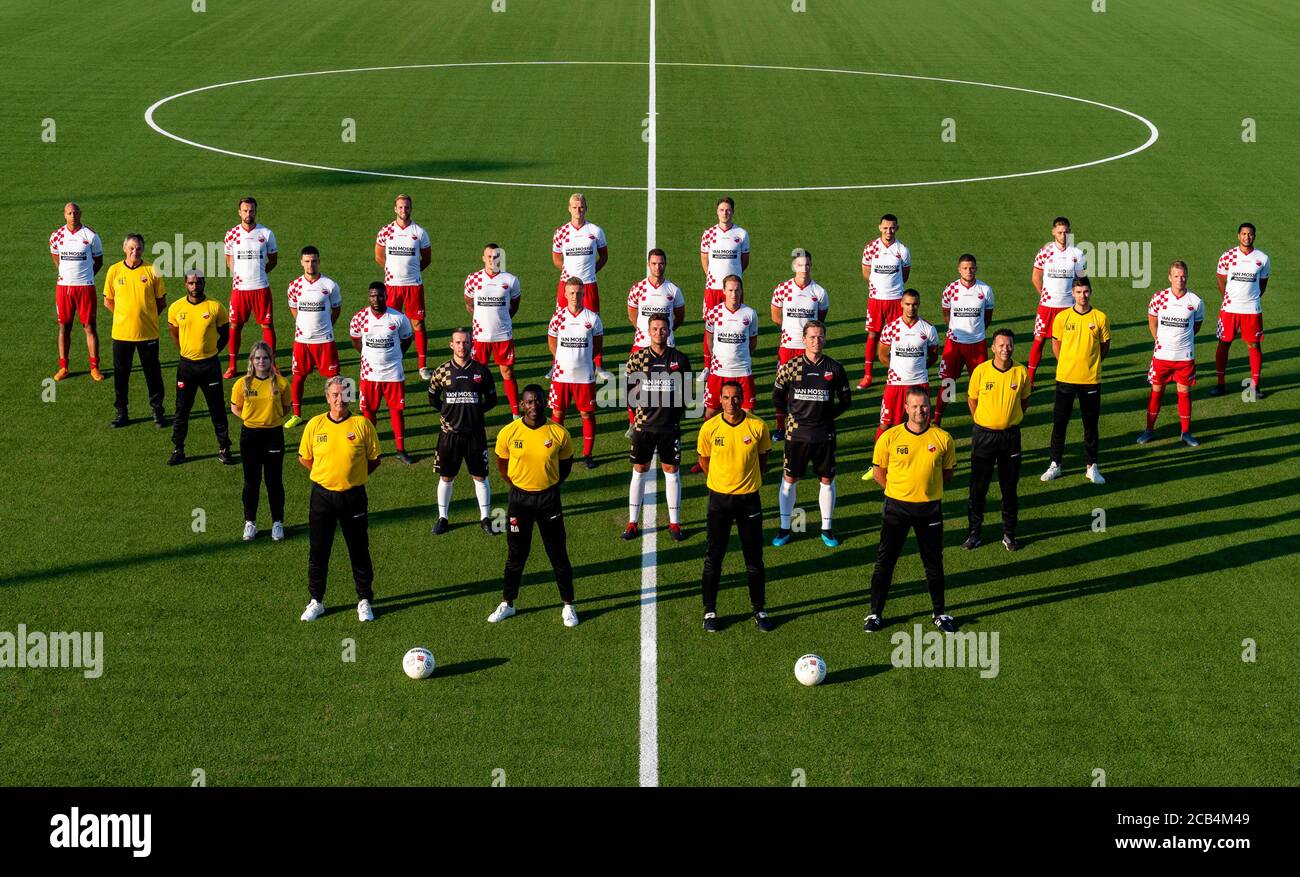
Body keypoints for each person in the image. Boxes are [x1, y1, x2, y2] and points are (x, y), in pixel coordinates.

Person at [864, 386, 957, 633]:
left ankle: (939, 613)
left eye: (924, 406)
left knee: (934, 563)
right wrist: (898, 491)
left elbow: (947, 474)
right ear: (906, 408)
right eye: (914, 406)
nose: (920, 411)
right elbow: (878, 472)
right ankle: (874, 614)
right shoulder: (889, 437)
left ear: (930, 407)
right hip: (896, 509)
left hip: (929, 509)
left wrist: (926, 492)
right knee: (886, 561)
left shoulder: (943, 438)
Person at [489, 384, 579, 627]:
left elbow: (566, 465)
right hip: (519, 501)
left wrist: (548, 483)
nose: (533, 406)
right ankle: (508, 603)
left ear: (545, 402)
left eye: (538, 401)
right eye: (529, 402)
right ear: (521, 405)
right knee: (516, 555)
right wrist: (517, 483)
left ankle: (568, 605)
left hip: (549, 500)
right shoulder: (508, 433)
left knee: (558, 554)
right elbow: (501, 463)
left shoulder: (559, 433)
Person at [298, 376, 381, 623]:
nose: (339, 399)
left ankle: (364, 600)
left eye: (344, 394)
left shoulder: (362, 424)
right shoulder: (314, 425)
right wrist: (326, 475)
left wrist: (352, 476)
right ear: (327, 397)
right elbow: (305, 458)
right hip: (322, 497)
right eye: (334, 394)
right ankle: (316, 601)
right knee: (318, 550)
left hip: (353, 497)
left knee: (358, 549)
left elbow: (374, 459)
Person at [696, 381, 774, 632]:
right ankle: (709, 611)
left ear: (743, 399)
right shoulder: (709, 428)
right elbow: (704, 459)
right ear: (720, 400)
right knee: (714, 558)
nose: (731, 402)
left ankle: (759, 609)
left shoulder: (758, 426)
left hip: (748, 499)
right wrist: (721, 482)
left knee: (754, 559)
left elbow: (763, 459)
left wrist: (747, 481)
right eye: (727, 397)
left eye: (736, 397)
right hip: (719, 501)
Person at [771, 321, 851, 548]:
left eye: (820, 337)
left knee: (827, 480)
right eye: (812, 337)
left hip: (824, 434)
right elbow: (777, 396)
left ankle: (827, 528)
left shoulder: (834, 368)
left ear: (825, 339)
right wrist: (792, 414)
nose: (816, 341)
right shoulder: (791, 366)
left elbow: (846, 401)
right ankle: (785, 528)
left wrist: (826, 417)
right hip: (797, 434)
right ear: (804, 339)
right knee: (790, 479)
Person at [623, 313, 692, 543]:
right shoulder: (637, 359)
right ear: (648, 331)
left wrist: (673, 416)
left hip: (669, 427)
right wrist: (634, 421)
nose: (659, 333)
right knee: (639, 470)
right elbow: (629, 395)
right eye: (654, 329)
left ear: (669, 330)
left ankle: (675, 523)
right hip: (644, 426)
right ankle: (632, 522)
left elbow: (686, 396)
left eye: (663, 329)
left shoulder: (680, 360)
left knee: (671, 472)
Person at [964, 329, 1030, 552]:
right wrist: (983, 421)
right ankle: (974, 533)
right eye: (1001, 345)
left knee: (1009, 488)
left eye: (1009, 345)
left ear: (1013, 347)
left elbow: (1024, 400)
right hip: (984, 436)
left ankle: (1009, 534)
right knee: (978, 488)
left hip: (1010, 437)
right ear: (993, 348)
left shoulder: (1021, 372)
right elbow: (972, 399)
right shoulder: (981, 371)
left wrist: (1008, 419)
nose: (1005, 349)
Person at [428, 328, 498, 536]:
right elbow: (432, 398)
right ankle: (443, 518)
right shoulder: (441, 371)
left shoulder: (481, 371)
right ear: (451, 345)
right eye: (457, 343)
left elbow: (492, 400)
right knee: (446, 477)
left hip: (475, 434)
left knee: (480, 476)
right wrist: (447, 412)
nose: (461, 346)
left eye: (465, 342)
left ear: (471, 344)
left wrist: (475, 414)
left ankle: (485, 518)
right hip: (449, 435)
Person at [1042, 277, 1110, 484]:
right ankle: (1055, 464)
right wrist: (1068, 364)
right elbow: (1056, 346)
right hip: (1065, 379)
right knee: (1060, 423)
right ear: (1072, 293)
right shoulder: (1062, 318)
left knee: (1090, 425)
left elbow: (1104, 347)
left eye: (1086, 291)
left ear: (1091, 292)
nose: (1083, 296)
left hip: (1090, 380)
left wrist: (1091, 364)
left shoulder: (1100, 318)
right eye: (1079, 292)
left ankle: (1092, 466)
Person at [166, 270, 234, 466]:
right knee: (182, 410)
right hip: (186, 367)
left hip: (209, 366)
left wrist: (212, 351)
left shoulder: (215, 307)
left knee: (217, 409)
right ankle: (178, 449)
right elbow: (174, 332)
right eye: (191, 283)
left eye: (198, 283)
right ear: (185, 284)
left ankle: (224, 448)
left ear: (204, 283)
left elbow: (225, 335)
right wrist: (186, 350)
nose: (194, 287)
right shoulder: (176, 308)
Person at [1137, 261, 1204, 447]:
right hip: (1162, 357)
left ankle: (1186, 432)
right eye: (1176, 276)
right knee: (1156, 393)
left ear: (1187, 276)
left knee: (1184, 393)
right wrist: (1160, 341)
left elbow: (1196, 326)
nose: (1180, 280)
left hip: (1184, 357)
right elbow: (1152, 322)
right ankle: (1149, 430)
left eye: (1183, 276)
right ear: (1170, 277)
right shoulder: (1158, 298)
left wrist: (1183, 340)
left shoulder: (1196, 302)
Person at [103, 233, 167, 428]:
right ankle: (121, 412)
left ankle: (157, 411)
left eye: (138, 248)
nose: (135, 251)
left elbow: (161, 301)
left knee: (153, 374)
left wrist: (146, 316)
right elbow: (108, 301)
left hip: (148, 333)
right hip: (122, 334)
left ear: (143, 250)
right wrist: (124, 315)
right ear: (124, 249)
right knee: (121, 375)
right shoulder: (114, 271)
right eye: (131, 248)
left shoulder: (152, 270)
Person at [350, 282, 415, 465]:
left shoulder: (398, 318)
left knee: (396, 411)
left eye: (379, 295)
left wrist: (396, 356)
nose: (376, 299)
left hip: (393, 372)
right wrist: (368, 357)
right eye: (372, 295)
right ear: (368, 296)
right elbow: (356, 341)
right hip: (369, 373)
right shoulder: (359, 318)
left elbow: (407, 339)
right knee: (368, 411)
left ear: (386, 296)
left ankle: (401, 450)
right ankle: (370, 449)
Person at [230, 341, 290, 542]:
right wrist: (252, 419)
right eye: (257, 358)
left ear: (271, 360)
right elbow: (235, 408)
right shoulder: (242, 384)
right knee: (251, 481)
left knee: (274, 481)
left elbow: (286, 408)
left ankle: (277, 523)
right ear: (251, 361)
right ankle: (250, 523)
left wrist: (269, 419)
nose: (261, 361)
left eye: (265, 357)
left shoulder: (281, 383)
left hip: (274, 435)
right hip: (250, 436)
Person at [769, 249, 830, 440]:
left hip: (809, 349)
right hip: (788, 346)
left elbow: (819, 321)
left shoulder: (819, 292)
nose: (804, 268)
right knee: (783, 387)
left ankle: (805, 422)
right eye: (800, 265)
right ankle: (781, 426)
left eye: (808, 265)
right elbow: (776, 316)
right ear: (794, 266)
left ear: (811, 266)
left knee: (808, 386)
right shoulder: (782, 289)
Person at [625, 248, 685, 437]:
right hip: (641, 345)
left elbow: (679, 317)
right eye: (654, 263)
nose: (657, 267)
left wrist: (663, 335)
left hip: (667, 347)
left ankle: (669, 421)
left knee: (667, 387)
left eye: (661, 263)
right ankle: (633, 423)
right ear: (648, 265)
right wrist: (646, 333)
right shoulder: (638, 288)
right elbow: (632, 314)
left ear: (665, 265)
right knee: (635, 386)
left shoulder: (673, 290)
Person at [870, 288, 938, 451]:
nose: (911, 308)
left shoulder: (928, 329)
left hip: (919, 383)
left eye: (914, 304)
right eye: (907, 304)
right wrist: (897, 368)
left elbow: (934, 356)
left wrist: (919, 367)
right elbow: (882, 355)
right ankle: (877, 461)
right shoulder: (891, 328)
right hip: (895, 384)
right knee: (885, 424)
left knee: (921, 423)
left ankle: (920, 456)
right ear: (901, 304)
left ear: (919, 305)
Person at [375, 193, 433, 379]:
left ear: (411, 209)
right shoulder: (386, 231)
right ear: (395, 209)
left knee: (418, 323)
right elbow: (378, 256)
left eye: (406, 207)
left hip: (413, 286)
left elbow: (427, 259)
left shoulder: (419, 233)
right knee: (391, 324)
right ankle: (393, 361)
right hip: (392, 286)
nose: (403, 210)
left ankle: (422, 366)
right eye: (400, 207)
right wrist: (391, 270)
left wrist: (412, 271)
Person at [548, 277, 604, 468]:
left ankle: (587, 454)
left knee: (586, 414)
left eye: (579, 293)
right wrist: (563, 359)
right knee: (558, 413)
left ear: (584, 294)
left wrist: (583, 360)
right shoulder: (557, 318)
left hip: (585, 376)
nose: (575, 297)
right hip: (560, 376)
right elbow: (552, 342)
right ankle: (556, 451)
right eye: (571, 293)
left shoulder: (593, 319)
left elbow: (597, 346)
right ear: (565, 294)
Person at [284, 246, 342, 429]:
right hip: (302, 341)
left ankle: (337, 413)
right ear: (301, 262)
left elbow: (336, 309)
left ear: (319, 261)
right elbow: (294, 309)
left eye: (314, 261)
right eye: (307, 261)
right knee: (298, 377)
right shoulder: (294, 286)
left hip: (324, 340)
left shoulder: (329, 285)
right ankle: (296, 414)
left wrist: (325, 326)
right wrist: (304, 326)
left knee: (334, 379)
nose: (311, 265)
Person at [551, 193, 609, 374]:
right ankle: (556, 364)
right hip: (565, 286)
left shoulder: (595, 231)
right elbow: (556, 258)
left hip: (589, 285)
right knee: (561, 323)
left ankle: (597, 365)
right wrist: (569, 277)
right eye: (575, 207)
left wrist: (591, 271)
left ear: (586, 208)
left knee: (594, 323)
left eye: (581, 206)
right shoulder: (561, 232)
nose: (578, 210)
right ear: (569, 209)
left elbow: (604, 256)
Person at [933, 253, 994, 426]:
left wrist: (976, 332)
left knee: (979, 385)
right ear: (959, 269)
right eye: (965, 268)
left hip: (977, 345)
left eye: (972, 268)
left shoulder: (985, 290)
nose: (969, 271)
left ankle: (980, 420)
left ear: (976, 268)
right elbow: (947, 315)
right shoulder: (950, 290)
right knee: (948, 382)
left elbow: (987, 318)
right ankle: (938, 419)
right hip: (955, 344)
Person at [1027, 216, 1087, 390]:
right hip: (1047, 306)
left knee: (1064, 343)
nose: (1063, 235)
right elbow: (1035, 277)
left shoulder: (1077, 254)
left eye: (1066, 232)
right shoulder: (1045, 252)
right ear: (1053, 232)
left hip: (1068, 307)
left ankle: (1066, 376)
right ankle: (1030, 380)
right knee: (1038, 340)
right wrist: (1045, 295)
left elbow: (1081, 281)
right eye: (1060, 232)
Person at [1211, 222, 1270, 397]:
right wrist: (1229, 298)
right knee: (1224, 343)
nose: (1247, 237)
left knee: (1254, 344)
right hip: (1229, 309)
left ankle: (1254, 386)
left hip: (1251, 310)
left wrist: (1252, 299)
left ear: (1254, 236)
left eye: (1250, 234)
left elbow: (1262, 284)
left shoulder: (1263, 258)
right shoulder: (1227, 256)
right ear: (1238, 236)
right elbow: (1221, 280)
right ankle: (1220, 384)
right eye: (1243, 234)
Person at [222, 197, 278, 379]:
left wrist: (259, 273)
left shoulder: (266, 233)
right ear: (239, 212)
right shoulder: (231, 234)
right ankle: (232, 366)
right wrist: (240, 276)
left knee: (267, 325)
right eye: (245, 210)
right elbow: (229, 260)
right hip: (240, 289)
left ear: (256, 211)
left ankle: (273, 364)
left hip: (261, 287)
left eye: (251, 210)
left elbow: (273, 260)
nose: (248, 214)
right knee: (235, 325)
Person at [463, 243, 521, 417]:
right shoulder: (473, 279)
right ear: (483, 258)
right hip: (481, 337)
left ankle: (515, 413)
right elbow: (468, 302)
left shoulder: (510, 280)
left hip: (502, 335)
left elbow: (515, 305)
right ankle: (475, 409)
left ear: (500, 258)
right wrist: (480, 317)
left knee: (507, 372)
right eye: (488, 256)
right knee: (477, 374)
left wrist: (502, 319)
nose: (492, 259)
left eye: (495, 256)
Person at [49, 202, 104, 381]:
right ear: (64, 215)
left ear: (80, 214)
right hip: (64, 288)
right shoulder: (56, 236)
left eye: (76, 212)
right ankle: (64, 367)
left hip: (85, 287)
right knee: (64, 326)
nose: (73, 215)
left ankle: (94, 368)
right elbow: (57, 259)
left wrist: (85, 276)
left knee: (89, 326)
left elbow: (98, 261)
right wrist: (67, 276)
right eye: (69, 213)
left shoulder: (91, 236)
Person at [699, 197, 750, 380]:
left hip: (734, 289)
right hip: (713, 288)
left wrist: (732, 281)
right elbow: (705, 260)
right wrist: (713, 277)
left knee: (733, 324)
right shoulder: (709, 234)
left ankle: (737, 361)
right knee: (710, 326)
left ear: (733, 212)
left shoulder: (741, 234)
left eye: (728, 210)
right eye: (722, 210)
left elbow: (744, 261)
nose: (725, 213)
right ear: (717, 211)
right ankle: (708, 366)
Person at [858, 213, 911, 389]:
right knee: (873, 334)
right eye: (885, 228)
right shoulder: (870, 248)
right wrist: (878, 287)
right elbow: (866, 274)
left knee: (897, 336)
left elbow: (905, 275)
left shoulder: (902, 250)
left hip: (896, 300)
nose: (889, 231)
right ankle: (868, 375)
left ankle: (896, 371)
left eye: (892, 227)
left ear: (897, 228)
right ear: (879, 227)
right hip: (876, 299)